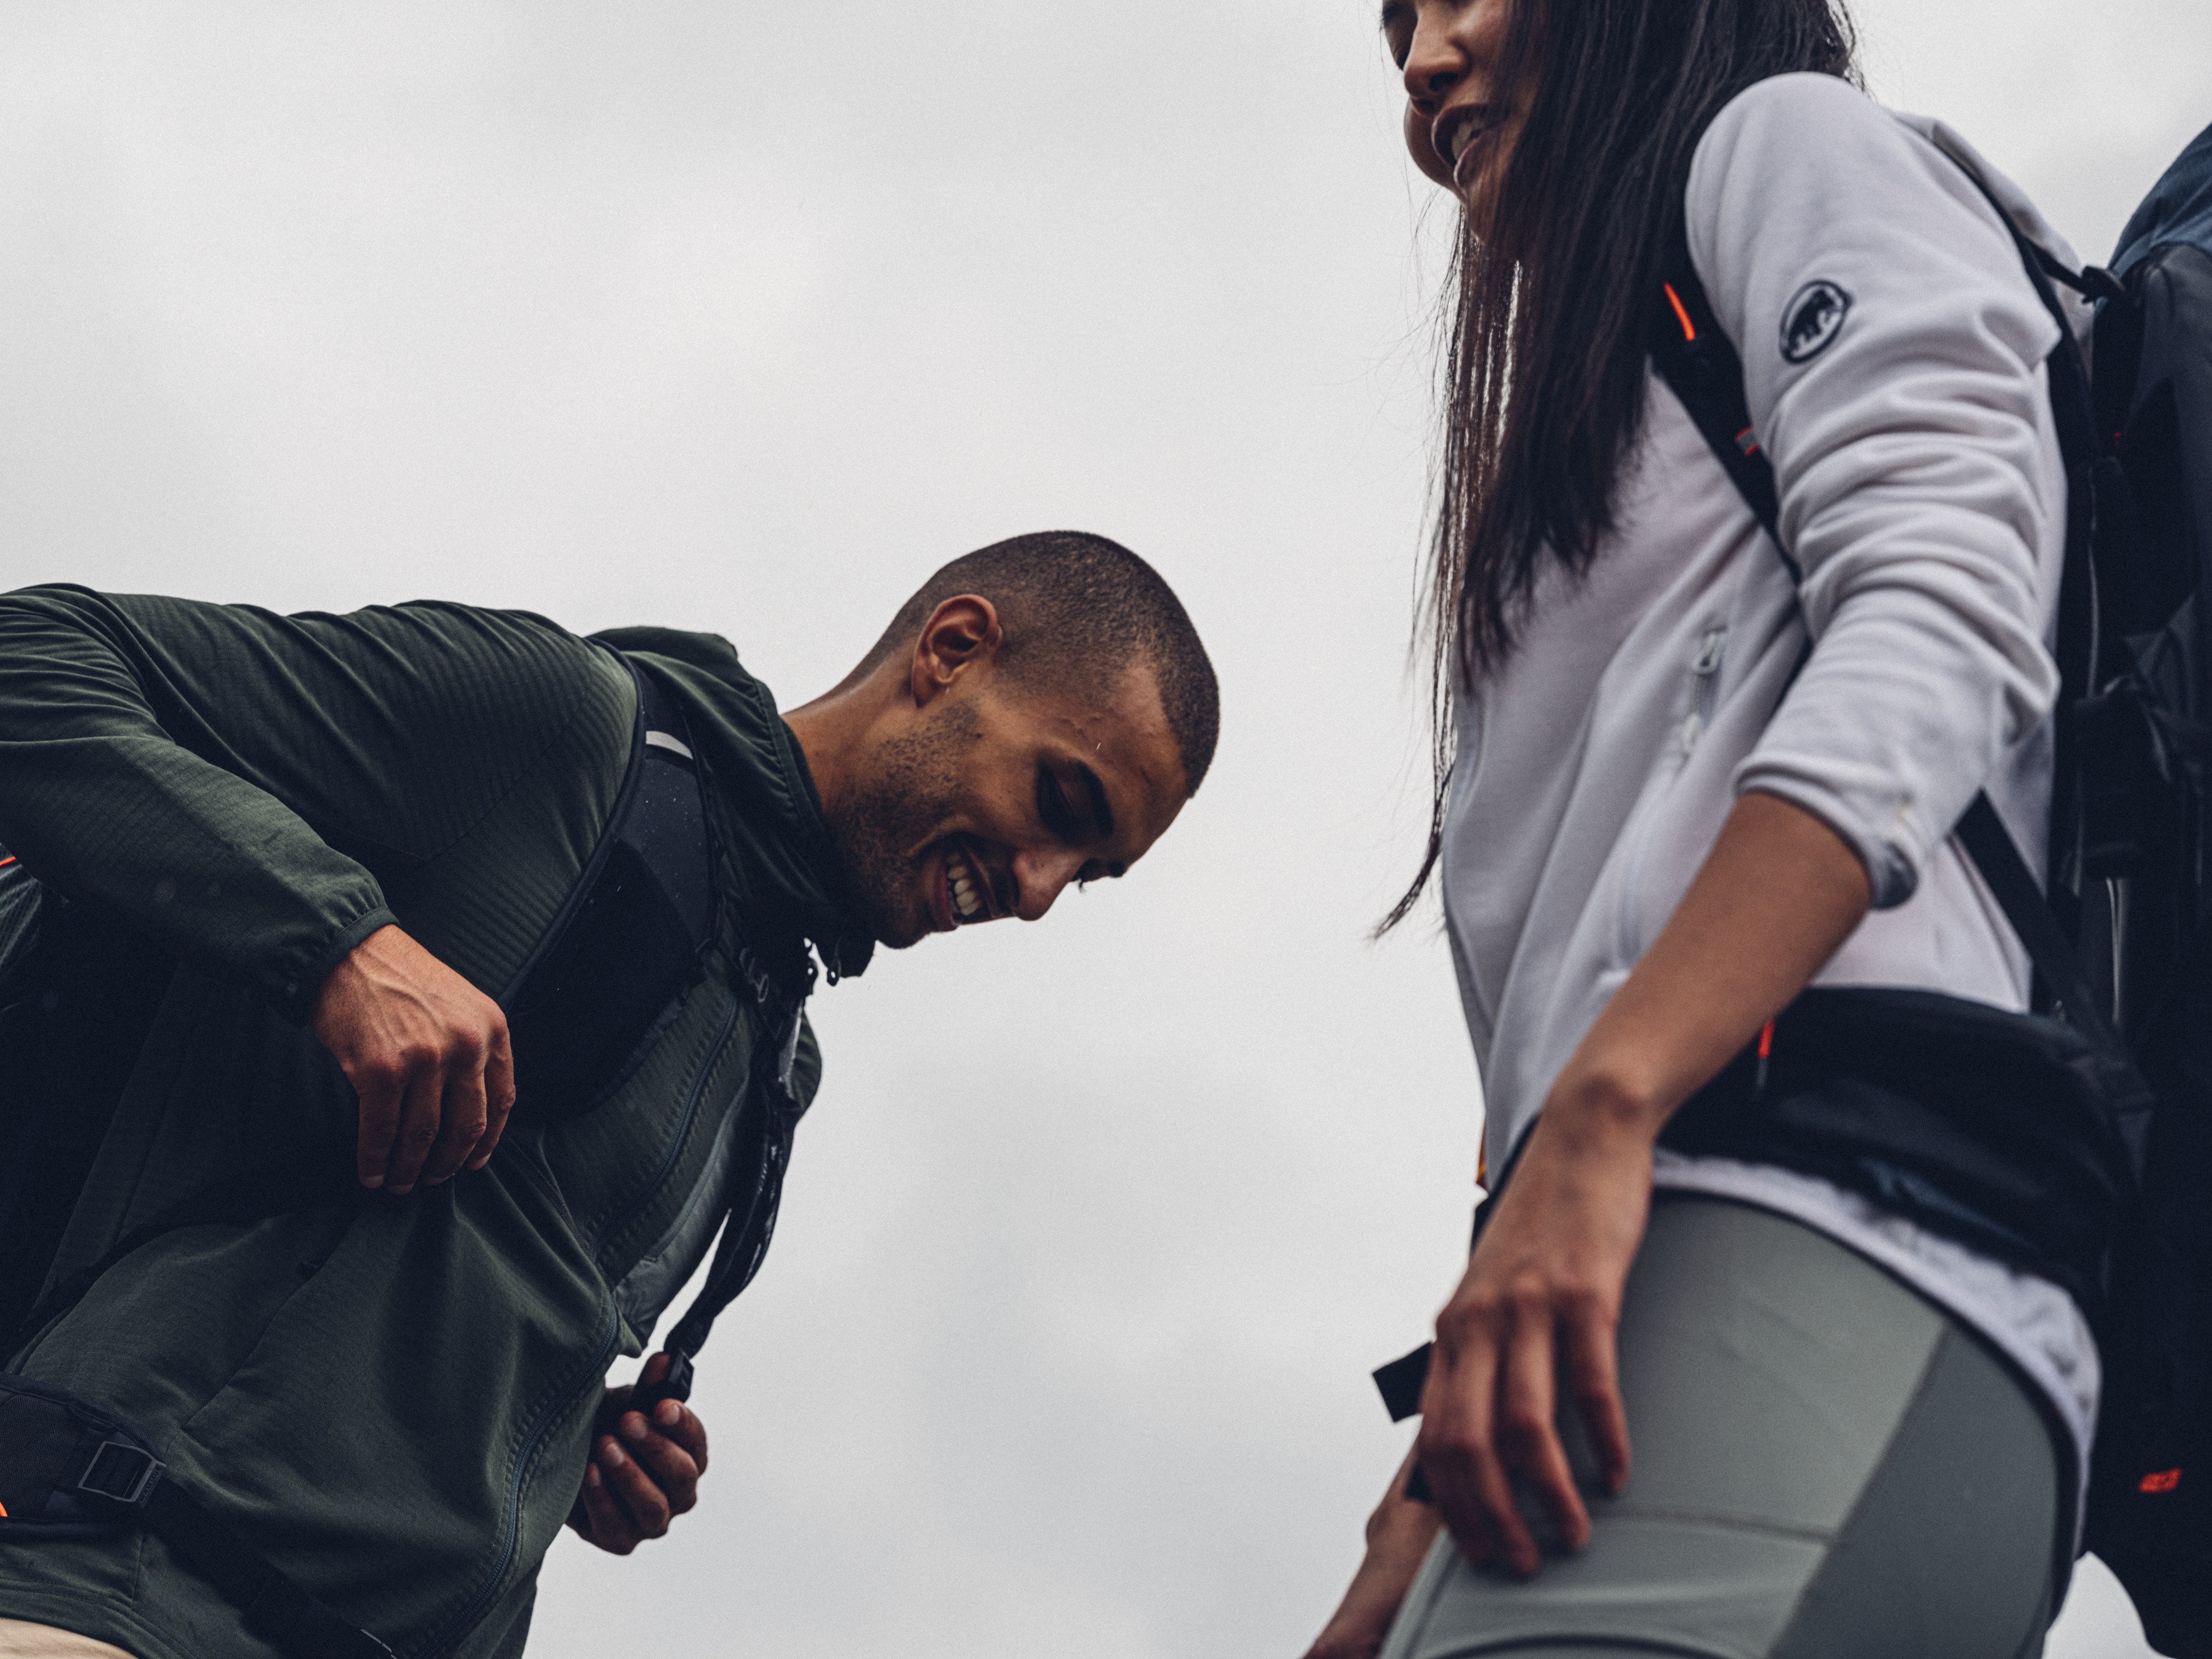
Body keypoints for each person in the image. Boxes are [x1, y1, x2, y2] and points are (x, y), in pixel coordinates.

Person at [0, 530, 1218, 1659]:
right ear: (952, 651)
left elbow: (416, 1272)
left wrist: (553, 1433)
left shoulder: (780, 1057)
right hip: (126, 1593)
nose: (1043, 891)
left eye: (1090, 875)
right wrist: (335, 944)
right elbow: (31, 659)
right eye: (1062, 805)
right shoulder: (568, 730)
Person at [1306, 4, 2102, 1656]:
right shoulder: (1588, 402)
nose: (1419, 57)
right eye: (1391, 22)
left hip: (1840, 1245)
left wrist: (1606, 1104)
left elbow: (1942, 600)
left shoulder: (1781, 146)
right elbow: (1577, 966)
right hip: (1659, 1290)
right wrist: (1414, 1513)